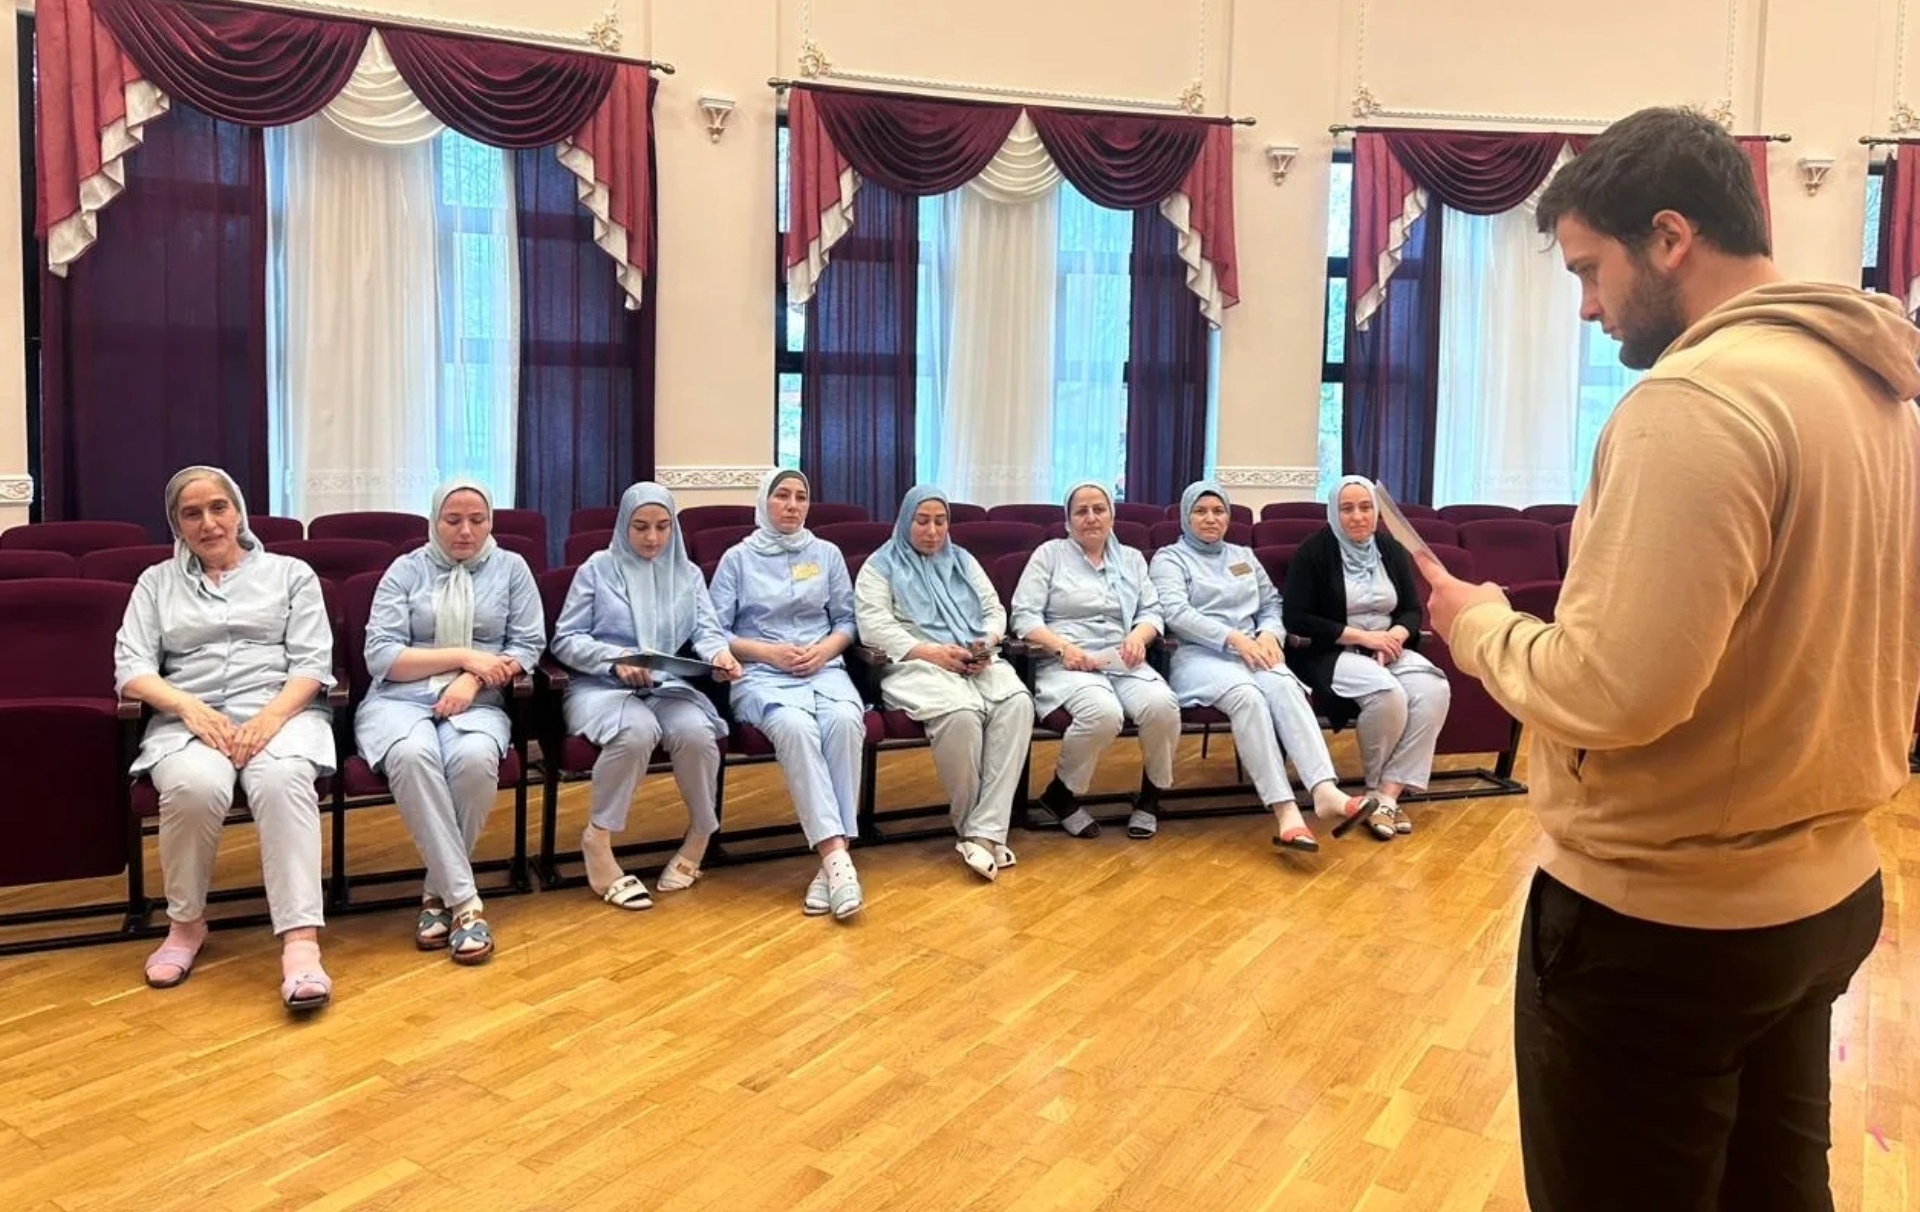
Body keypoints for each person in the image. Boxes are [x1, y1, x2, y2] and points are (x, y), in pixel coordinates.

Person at [1419, 106, 1920, 1211]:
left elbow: (1615, 692)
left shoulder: (1696, 400)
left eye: (1589, 271)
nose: (1587, 307)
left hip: (1670, 927)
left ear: (1670, 238)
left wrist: (1478, 625)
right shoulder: (1884, 397)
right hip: (1825, 894)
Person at [114, 466, 337, 1012]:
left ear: (238, 511)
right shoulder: (155, 583)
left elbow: (312, 664)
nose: (208, 523)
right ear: (176, 524)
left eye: (219, 507)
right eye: (192, 514)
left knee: (283, 779)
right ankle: (186, 925)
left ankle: (300, 942)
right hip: (189, 719)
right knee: (194, 787)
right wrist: (188, 708)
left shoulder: (291, 574)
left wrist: (269, 719)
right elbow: (131, 668)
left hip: (281, 712)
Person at [356, 479, 544, 965]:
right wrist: (464, 657)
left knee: (475, 760)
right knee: (412, 754)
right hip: (399, 699)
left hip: (478, 700)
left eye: (477, 520)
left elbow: (527, 646)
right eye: (453, 520)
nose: (465, 531)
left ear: (491, 522)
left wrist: (473, 680)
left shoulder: (512, 568)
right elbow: (382, 657)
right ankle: (465, 903)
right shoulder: (406, 570)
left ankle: (435, 894)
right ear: (434, 521)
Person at [1149, 481, 1385, 851]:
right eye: (1201, 511)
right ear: (1185, 517)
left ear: (1228, 517)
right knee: (1248, 696)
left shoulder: (1243, 555)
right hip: (1197, 654)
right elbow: (1176, 613)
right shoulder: (1169, 559)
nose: (1211, 519)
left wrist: (1270, 635)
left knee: (1286, 687)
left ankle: (1325, 791)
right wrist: (1233, 638)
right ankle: (1286, 811)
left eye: (1218, 511)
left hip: (1254, 650)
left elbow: (1272, 603)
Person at [551, 482, 743, 912]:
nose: (652, 537)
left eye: (662, 527)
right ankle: (598, 838)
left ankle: (700, 834)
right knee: (636, 731)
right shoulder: (597, 569)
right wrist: (614, 658)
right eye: (640, 527)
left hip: (664, 685)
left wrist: (719, 655)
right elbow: (565, 640)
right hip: (600, 686)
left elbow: (707, 630)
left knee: (696, 733)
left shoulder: (687, 573)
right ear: (624, 525)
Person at [709, 469, 868, 919]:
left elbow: (847, 621)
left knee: (845, 722)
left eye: (801, 497)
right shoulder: (738, 559)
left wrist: (825, 651)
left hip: (823, 667)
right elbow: (714, 631)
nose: (792, 505)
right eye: (782, 495)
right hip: (761, 674)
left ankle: (830, 865)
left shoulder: (827, 554)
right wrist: (767, 653)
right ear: (764, 501)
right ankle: (837, 856)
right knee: (796, 727)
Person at [855, 485, 1033, 881]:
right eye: (922, 521)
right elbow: (874, 626)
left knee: (1018, 703)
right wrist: (932, 652)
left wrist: (985, 642)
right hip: (914, 661)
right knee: (961, 714)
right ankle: (977, 830)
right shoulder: (880, 565)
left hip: (973, 657)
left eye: (940, 521)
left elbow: (993, 609)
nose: (932, 531)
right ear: (906, 521)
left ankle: (984, 831)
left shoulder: (963, 560)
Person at [1010, 480, 1179, 840]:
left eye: (1099, 509)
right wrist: (1062, 648)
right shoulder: (1049, 555)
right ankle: (1061, 794)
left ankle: (1151, 798)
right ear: (1068, 521)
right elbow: (1024, 616)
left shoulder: (1131, 559)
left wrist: (1139, 636)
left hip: (1121, 658)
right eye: (1081, 511)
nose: (1091, 517)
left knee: (1162, 705)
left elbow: (1152, 611)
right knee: (1103, 713)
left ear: (1112, 517)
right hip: (1067, 660)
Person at [1282, 476, 1451, 834]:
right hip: (1332, 651)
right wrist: (1364, 637)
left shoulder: (1390, 549)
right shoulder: (1314, 551)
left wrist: (1396, 635)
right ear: (1334, 512)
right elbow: (1296, 618)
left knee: (1434, 689)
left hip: (1389, 647)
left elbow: (1412, 609)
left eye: (1366, 507)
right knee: (1388, 693)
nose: (1358, 516)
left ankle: (1387, 795)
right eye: (1347, 509)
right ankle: (1374, 787)